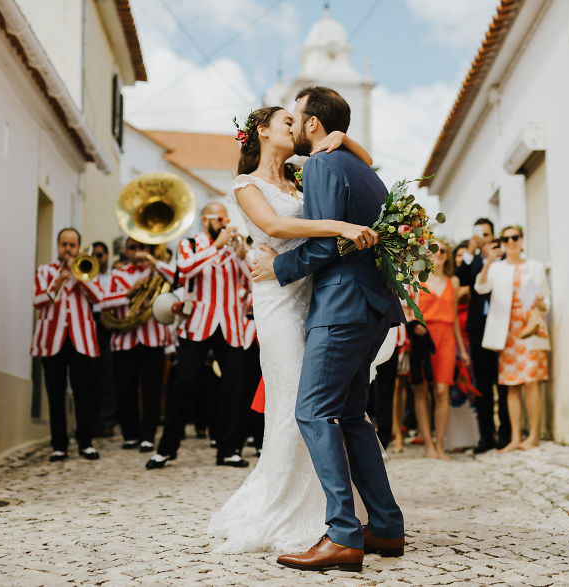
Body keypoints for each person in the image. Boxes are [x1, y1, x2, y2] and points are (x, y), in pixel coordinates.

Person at [208, 103, 378, 555]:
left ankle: (328, 508)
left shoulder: (301, 175)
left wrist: (343, 138)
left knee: (316, 401)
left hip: (312, 296)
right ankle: (289, 506)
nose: (295, 126)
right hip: (278, 302)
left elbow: (367, 164)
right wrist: (341, 225)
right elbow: (275, 224)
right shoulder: (246, 185)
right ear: (262, 132)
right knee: (292, 400)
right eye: (286, 121)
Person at [252, 87, 406, 573]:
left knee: (314, 411)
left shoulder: (321, 165)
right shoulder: (362, 170)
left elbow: (324, 246)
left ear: (313, 124)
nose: (293, 127)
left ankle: (342, 534)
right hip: (373, 305)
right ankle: (384, 525)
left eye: (296, 118)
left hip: (341, 308)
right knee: (352, 415)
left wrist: (276, 269)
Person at [146, 202, 254, 469]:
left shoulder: (234, 247)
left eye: (226, 219)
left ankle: (229, 449)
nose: (224, 223)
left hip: (230, 325)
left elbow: (252, 282)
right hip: (197, 323)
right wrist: (217, 245)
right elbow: (184, 271)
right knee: (184, 385)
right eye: (219, 219)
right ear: (205, 220)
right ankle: (166, 449)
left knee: (233, 386)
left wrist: (242, 257)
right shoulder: (191, 244)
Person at [474, 225, 550, 452]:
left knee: (531, 382)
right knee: (511, 386)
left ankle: (534, 435)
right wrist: (488, 261)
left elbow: (545, 300)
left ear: (521, 240)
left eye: (514, 237)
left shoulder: (535, 267)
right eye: (505, 238)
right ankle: (516, 437)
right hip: (507, 333)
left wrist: (539, 303)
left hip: (530, 328)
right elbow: (480, 287)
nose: (510, 242)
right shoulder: (497, 269)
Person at [30, 228, 103, 462]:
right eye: (64, 244)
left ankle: (86, 442)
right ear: (58, 246)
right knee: (55, 394)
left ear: (79, 247)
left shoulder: (88, 269)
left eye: (73, 245)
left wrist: (80, 276)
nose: (68, 249)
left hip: (81, 341)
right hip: (52, 341)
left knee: (85, 394)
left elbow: (98, 297)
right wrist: (57, 284)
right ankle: (59, 446)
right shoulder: (45, 271)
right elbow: (38, 301)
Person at [101, 238, 173, 454]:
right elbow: (103, 302)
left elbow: (178, 279)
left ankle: (148, 436)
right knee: (125, 389)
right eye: (133, 248)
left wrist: (153, 260)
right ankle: (130, 434)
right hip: (125, 339)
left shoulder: (158, 271)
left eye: (143, 248)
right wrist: (128, 294)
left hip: (153, 338)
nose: (138, 252)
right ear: (126, 252)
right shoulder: (118, 274)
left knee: (152, 389)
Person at [408, 239, 469, 459]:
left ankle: (440, 444)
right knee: (421, 391)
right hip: (423, 337)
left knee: (442, 391)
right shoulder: (416, 278)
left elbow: (453, 316)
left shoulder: (453, 282)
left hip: (446, 339)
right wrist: (413, 328)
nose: (439, 253)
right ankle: (428, 445)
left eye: (443, 250)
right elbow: (409, 312)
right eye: (434, 249)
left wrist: (462, 350)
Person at [456, 218, 511, 453]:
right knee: (483, 386)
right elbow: (461, 280)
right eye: (481, 235)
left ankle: (507, 434)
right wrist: (470, 251)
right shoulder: (473, 261)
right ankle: (486, 437)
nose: (485, 239)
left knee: (504, 384)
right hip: (479, 328)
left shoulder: (505, 259)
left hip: (502, 327)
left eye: (488, 234)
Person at [90, 241, 117, 438]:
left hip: (108, 324)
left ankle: (107, 420)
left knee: (108, 375)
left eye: (100, 255)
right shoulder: (88, 274)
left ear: (106, 255)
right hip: (90, 322)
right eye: (95, 256)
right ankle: (92, 421)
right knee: (91, 373)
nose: (98, 259)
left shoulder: (114, 276)